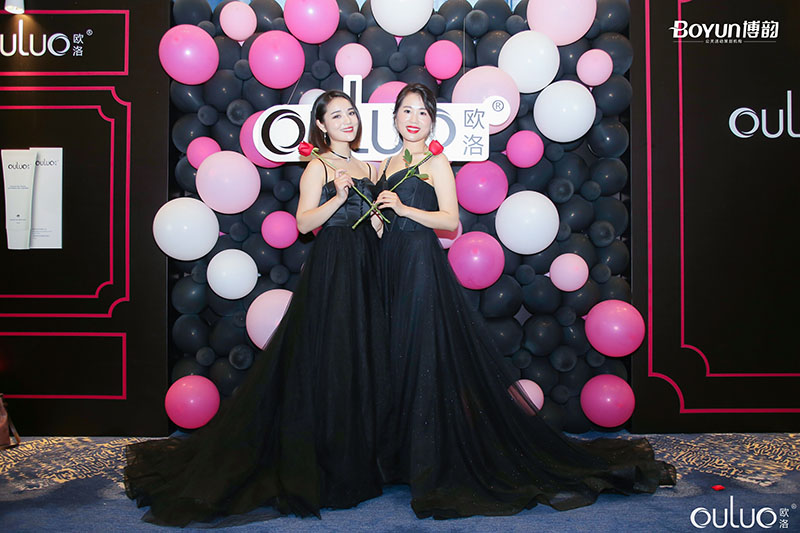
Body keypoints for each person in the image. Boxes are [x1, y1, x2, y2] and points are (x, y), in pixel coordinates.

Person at [374, 83, 676, 519]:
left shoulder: (435, 161)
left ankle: (429, 458)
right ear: (395, 118)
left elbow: (449, 220)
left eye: (422, 112)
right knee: (396, 355)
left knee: (423, 356)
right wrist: (377, 220)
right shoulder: (387, 163)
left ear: (432, 120)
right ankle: (401, 456)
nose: (413, 119)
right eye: (406, 111)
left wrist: (404, 210)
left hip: (421, 265)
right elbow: (385, 220)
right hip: (391, 266)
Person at [124, 90, 388, 526]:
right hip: (335, 266)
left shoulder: (368, 167)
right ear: (321, 126)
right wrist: (339, 198)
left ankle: (357, 454)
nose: (347, 120)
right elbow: (305, 222)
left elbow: (373, 224)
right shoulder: (319, 166)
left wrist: (379, 219)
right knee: (331, 357)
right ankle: (324, 458)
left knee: (360, 356)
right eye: (337, 115)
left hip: (365, 267)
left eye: (350, 113)